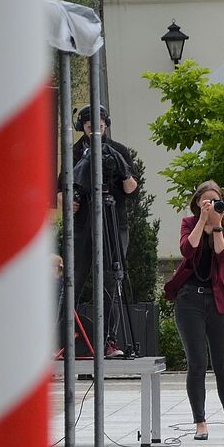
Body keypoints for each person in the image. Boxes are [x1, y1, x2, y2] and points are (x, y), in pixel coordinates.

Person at [164, 180, 224, 440]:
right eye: (206, 202)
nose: (211, 205)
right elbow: (187, 250)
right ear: (198, 203)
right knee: (197, 363)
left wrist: (217, 226)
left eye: (215, 201)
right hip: (190, 300)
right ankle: (200, 423)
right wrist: (202, 220)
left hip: (220, 299)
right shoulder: (189, 223)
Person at [69, 104, 139, 358]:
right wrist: (70, 200)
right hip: (83, 223)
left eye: (99, 126)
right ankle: (65, 338)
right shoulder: (74, 153)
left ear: (106, 125)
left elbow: (132, 189)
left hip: (113, 221)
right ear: (83, 128)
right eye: (90, 127)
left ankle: (110, 339)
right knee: (74, 279)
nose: (95, 131)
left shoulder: (118, 151)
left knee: (112, 279)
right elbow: (61, 191)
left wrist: (122, 170)